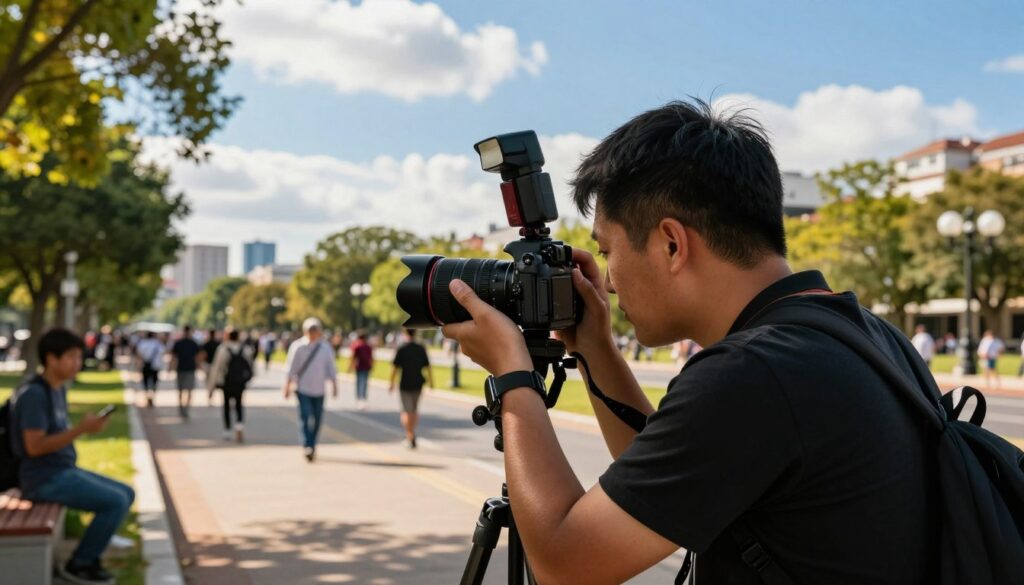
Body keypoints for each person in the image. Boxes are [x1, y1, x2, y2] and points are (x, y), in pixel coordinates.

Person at [439, 100, 938, 583]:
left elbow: (563, 564)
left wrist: (513, 376)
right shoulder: (852, 333)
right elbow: (672, 485)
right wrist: (595, 350)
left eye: (608, 250)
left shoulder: (753, 374)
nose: (608, 283)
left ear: (671, 244)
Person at [10, 328, 135, 584]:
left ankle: (90, 555)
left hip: (61, 470)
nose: (78, 363)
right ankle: (81, 564)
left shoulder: (58, 389)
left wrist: (82, 430)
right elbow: (34, 447)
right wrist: (81, 429)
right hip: (43, 479)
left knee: (126, 493)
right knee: (115, 502)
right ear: (51, 359)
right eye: (72, 357)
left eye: (80, 357)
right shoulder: (34, 394)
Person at [282, 318, 338, 462]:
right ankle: (308, 445)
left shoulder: (325, 348)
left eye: (315, 330)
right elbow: (291, 368)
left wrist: (334, 385)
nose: (313, 333)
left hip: (319, 389)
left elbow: (331, 368)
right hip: (303, 389)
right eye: (311, 330)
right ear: (305, 331)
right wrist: (287, 386)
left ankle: (313, 444)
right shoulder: (298, 347)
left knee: (317, 419)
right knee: (305, 417)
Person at [389, 329, 434, 449]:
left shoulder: (402, 348)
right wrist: (431, 382)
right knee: (414, 410)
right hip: (418, 383)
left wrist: (391, 383)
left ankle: (410, 435)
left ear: (405, 333)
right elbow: (428, 366)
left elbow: (395, 367)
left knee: (406, 411)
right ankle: (412, 433)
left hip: (405, 384)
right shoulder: (420, 348)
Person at [206, 329, 254, 442]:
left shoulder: (223, 349)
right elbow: (251, 367)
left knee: (226, 406)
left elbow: (216, 369)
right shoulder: (245, 350)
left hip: (226, 383)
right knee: (239, 404)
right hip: (240, 383)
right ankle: (239, 425)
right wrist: (247, 379)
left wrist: (211, 388)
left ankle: (227, 430)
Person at [169, 325, 201, 419]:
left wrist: (171, 368)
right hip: (189, 369)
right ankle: (185, 408)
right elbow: (197, 357)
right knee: (188, 390)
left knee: (181, 389)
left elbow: (174, 357)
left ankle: (182, 408)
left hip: (182, 369)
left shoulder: (179, 343)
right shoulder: (193, 343)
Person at [134, 331, 164, 407]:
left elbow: (139, 355)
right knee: (154, 382)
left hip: (145, 365)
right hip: (155, 366)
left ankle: (147, 396)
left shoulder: (142, 343)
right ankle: (152, 396)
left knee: (146, 382)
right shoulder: (158, 344)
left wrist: (137, 367)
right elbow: (162, 353)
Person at [348, 331, 374, 410]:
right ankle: (363, 398)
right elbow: (371, 358)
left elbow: (353, 358)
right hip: (366, 367)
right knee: (365, 383)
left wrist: (350, 367)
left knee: (359, 383)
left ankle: (360, 398)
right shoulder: (368, 347)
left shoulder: (357, 346)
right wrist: (372, 365)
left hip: (360, 367)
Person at [199, 329, 221, 405]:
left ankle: (209, 394)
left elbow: (203, 354)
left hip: (208, 364)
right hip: (214, 365)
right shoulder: (218, 344)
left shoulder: (206, 344)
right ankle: (211, 394)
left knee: (209, 381)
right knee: (212, 381)